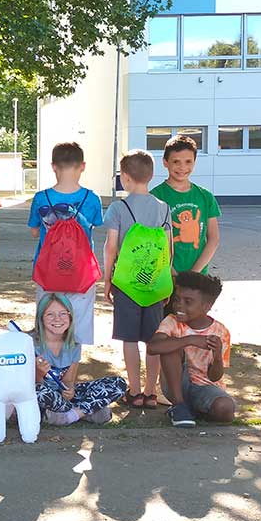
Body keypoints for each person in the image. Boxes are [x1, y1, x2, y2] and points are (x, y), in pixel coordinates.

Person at [147, 134, 221, 385]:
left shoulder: (205, 196)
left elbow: (213, 238)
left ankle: (195, 382)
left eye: (188, 162)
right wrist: (171, 270)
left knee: (194, 331)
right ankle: (161, 385)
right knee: (166, 332)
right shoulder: (156, 196)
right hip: (166, 278)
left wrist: (194, 273)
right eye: (176, 162)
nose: (182, 167)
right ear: (165, 162)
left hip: (197, 280)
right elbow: (153, 241)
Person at [102, 150, 174, 408]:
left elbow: (111, 247)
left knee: (130, 339)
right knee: (154, 339)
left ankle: (134, 392)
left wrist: (107, 280)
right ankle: (151, 391)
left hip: (126, 284)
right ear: (152, 175)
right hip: (155, 284)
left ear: (125, 178)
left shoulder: (118, 208)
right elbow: (168, 249)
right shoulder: (163, 208)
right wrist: (167, 282)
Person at [27, 141, 102, 346]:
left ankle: (47, 369)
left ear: (53, 166)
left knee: (48, 319)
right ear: (82, 166)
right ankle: (71, 374)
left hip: (48, 271)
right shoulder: (92, 198)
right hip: (81, 273)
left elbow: (35, 231)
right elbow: (95, 225)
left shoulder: (41, 198)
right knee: (80, 321)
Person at [147, 271, 233, 427]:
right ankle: (179, 406)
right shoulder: (172, 322)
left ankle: (193, 410)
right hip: (176, 386)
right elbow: (152, 348)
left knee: (226, 410)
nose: (179, 305)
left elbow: (215, 377)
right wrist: (189, 340)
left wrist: (218, 355)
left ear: (207, 306)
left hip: (207, 387)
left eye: (188, 302)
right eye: (177, 299)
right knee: (170, 346)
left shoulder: (221, 332)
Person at [33, 293, 125, 425]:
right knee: (39, 392)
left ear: (70, 317)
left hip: (62, 398)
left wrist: (70, 391)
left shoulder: (74, 344)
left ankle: (69, 415)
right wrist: (39, 373)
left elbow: (68, 380)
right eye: (50, 314)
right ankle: (85, 411)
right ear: (41, 318)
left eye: (63, 314)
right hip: (43, 395)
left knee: (118, 383)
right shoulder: (29, 343)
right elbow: (30, 384)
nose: (57, 319)